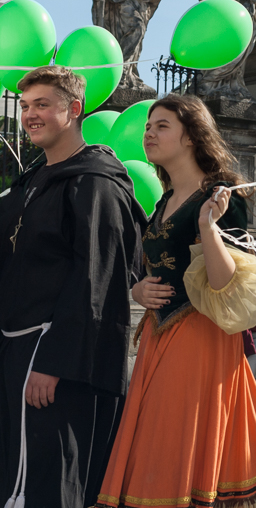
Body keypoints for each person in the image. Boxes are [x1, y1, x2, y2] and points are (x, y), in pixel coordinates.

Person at [94, 95, 256, 508]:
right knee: (158, 439)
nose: (149, 133)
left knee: (175, 439)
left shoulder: (222, 197)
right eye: (148, 126)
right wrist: (138, 289)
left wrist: (207, 227)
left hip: (201, 336)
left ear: (190, 136)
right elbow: (152, 269)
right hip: (159, 336)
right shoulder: (162, 202)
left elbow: (226, 283)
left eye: (161, 125)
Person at [0, 67, 146, 508]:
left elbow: (95, 284)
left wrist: (54, 363)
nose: (30, 115)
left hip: (55, 365)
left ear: (74, 109)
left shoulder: (95, 185)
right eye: (25, 106)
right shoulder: (31, 182)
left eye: (42, 104)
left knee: (49, 482)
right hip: (15, 355)